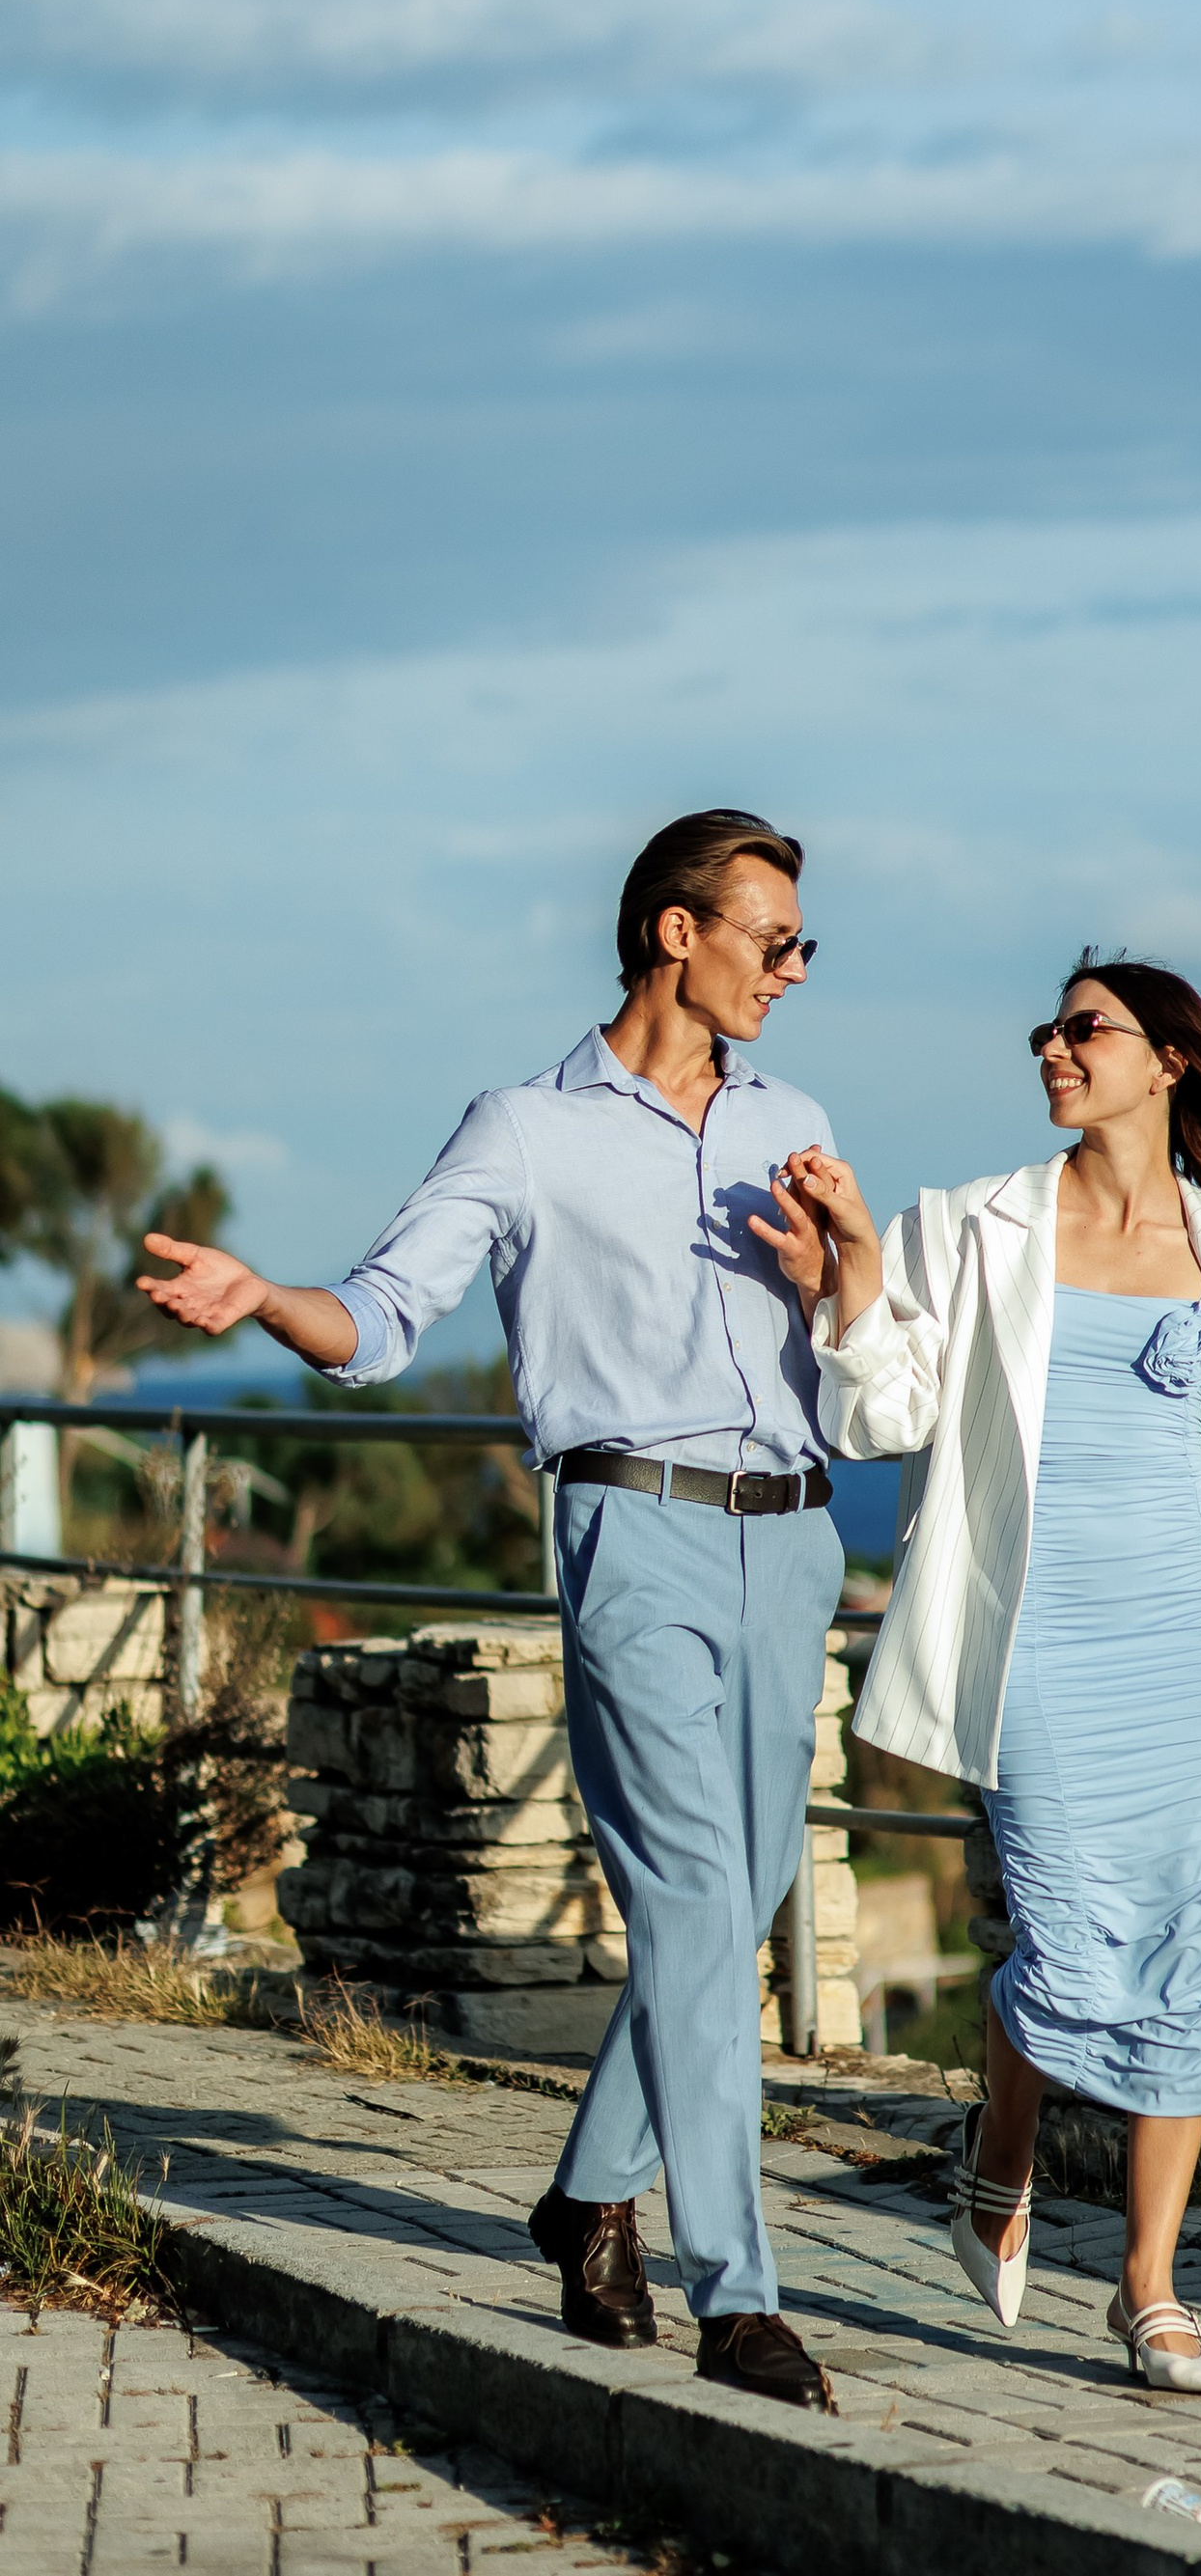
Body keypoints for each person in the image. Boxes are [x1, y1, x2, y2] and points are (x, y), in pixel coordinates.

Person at [136, 808, 852, 2412]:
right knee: (688, 1899)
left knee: (733, 1905)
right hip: (636, 1528)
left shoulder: (793, 1116)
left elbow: (856, 1335)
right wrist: (266, 1300)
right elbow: (386, 1313)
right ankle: (737, 2294)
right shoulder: (525, 1128)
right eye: (773, 937)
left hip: (796, 1534)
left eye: (803, 944)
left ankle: (586, 2192)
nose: (793, 968)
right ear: (678, 931)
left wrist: (840, 1270)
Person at [771, 954, 1201, 2395]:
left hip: (1191, 1623)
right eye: (1045, 1027)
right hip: (1033, 1623)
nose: (1052, 1046)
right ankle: (1002, 2144)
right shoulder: (969, 1227)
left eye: (1082, 1027)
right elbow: (881, 1413)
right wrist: (851, 1264)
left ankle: (1150, 2289)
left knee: (1195, 1959)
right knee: (1063, 1927)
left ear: (1166, 1061)